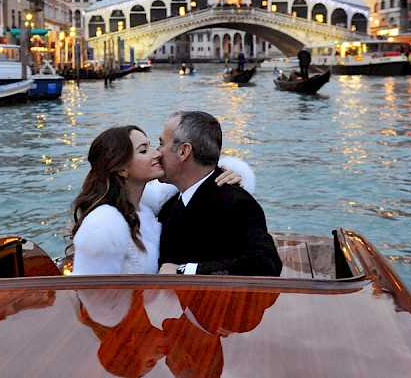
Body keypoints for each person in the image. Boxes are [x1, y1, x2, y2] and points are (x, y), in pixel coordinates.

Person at [70, 125, 254, 275]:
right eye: (144, 150)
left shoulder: (147, 209)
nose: (156, 153)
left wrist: (222, 175)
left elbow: (193, 181)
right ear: (122, 169)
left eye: (152, 145)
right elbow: (94, 298)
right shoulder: (104, 224)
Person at [156, 111, 282, 276]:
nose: (157, 152)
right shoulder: (170, 204)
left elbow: (266, 264)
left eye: (161, 144)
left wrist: (185, 270)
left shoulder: (236, 203)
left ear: (183, 152)